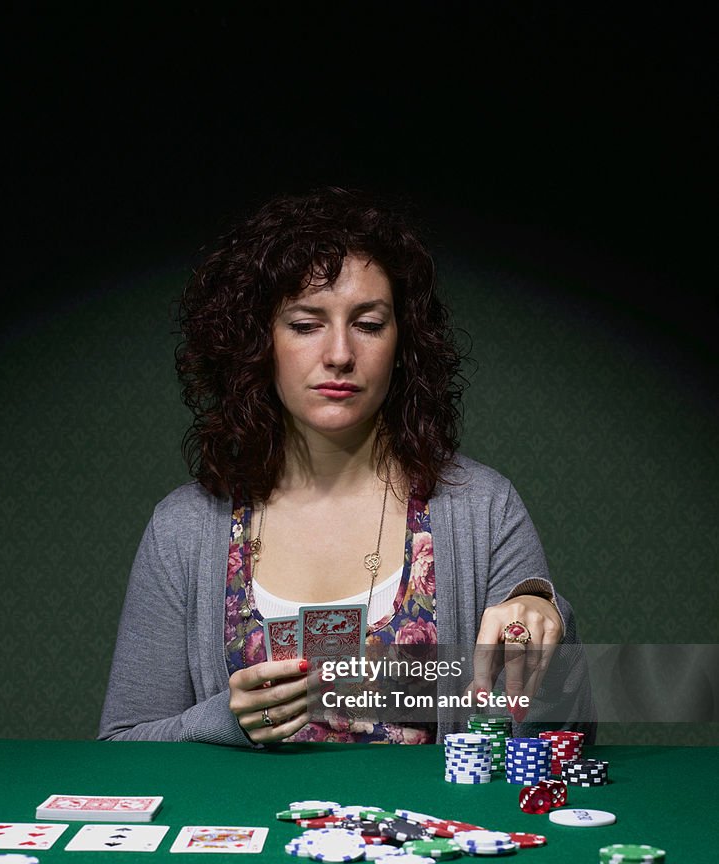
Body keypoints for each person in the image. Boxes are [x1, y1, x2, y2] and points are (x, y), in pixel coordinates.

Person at [98, 186, 595, 746]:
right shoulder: (183, 528)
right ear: (257, 343)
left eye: (368, 323)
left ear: (403, 344)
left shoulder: (483, 507)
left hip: (418, 833)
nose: (339, 353)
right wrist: (219, 722)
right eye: (306, 324)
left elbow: (561, 735)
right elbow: (123, 744)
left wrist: (546, 616)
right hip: (249, 831)